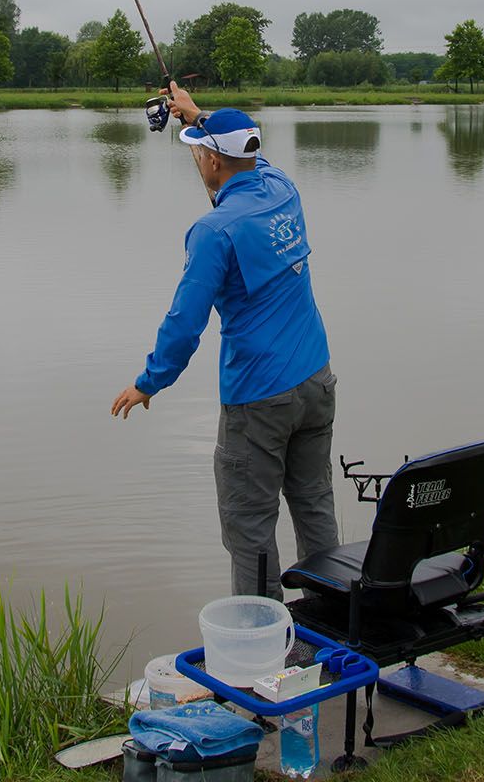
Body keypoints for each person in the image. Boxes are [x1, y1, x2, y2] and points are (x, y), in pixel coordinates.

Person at [110, 82, 340, 598]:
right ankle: (332, 618)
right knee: (313, 501)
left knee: (249, 525)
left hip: (259, 398)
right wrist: (199, 116)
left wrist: (150, 382)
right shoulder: (283, 189)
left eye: (199, 151)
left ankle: (263, 650)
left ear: (214, 162)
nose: (196, 159)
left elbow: (184, 323)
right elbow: (253, 158)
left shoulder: (213, 231)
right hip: (317, 380)